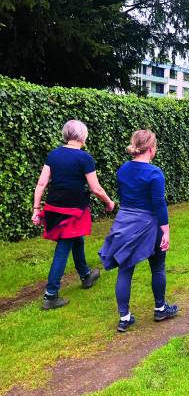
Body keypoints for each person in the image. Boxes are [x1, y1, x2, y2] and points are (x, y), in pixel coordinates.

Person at [99, 130, 178, 332]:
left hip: (125, 221)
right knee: (158, 267)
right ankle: (160, 308)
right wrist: (166, 231)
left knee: (125, 269)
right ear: (151, 149)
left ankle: (124, 318)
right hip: (149, 223)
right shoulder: (154, 173)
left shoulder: (123, 170)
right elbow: (159, 205)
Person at [32, 120, 114, 310]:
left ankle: (86, 276)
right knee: (64, 248)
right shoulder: (85, 158)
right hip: (73, 210)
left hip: (54, 207)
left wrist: (37, 209)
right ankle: (50, 295)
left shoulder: (53, 155)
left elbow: (41, 184)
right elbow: (96, 188)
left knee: (77, 240)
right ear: (82, 136)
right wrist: (109, 203)